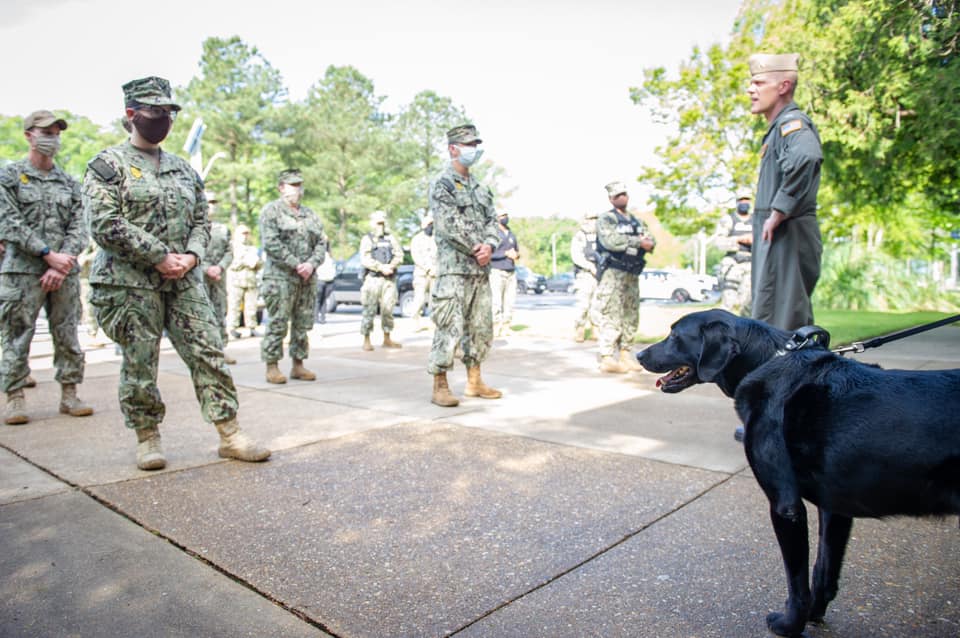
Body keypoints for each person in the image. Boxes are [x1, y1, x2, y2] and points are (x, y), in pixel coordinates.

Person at [82, 76, 269, 469]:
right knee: (140, 361)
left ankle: (229, 432)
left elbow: (202, 220)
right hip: (128, 284)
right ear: (132, 114)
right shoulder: (107, 166)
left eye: (169, 112)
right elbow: (104, 223)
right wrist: (158, 256)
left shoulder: (183, 170)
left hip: (183, 279)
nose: (164, 118)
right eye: (156, 112)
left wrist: (192, 256)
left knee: (208, 351)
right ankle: (147, 437)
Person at [0, 109, 94, 425]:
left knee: (67, 332)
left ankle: (70, 394)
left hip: (63, 271)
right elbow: (8, 221)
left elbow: (81, 225)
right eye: (45, 132)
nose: (51, 138)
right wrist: (45, 254)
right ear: (29, 135)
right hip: (23, 270)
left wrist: (62, 260)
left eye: (56, 133)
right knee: (16, 334)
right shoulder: (9, 177)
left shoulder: (69, 182)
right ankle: (14, 397)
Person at [427, 124, 502, 407]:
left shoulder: (481, 189)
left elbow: (492, 222)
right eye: (468, 144)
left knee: (481, 327)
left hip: (479, 271)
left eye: (476, 143)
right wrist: (476, 247)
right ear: (453, 149)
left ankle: (475, 381)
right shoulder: (442, 184)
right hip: (455, 270)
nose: (474, 149)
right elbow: (447, 225)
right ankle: (440, 384)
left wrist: (490, 245)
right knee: (449, 326)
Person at [747, 53, 823, 331]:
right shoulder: (779, 128)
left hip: (787, 235)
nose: (750, 89)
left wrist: (779, 210)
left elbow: (807, 157)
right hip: (780, 236)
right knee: (771, 321)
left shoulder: (793, 124)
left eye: (759, 82)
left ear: (783, 86)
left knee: (781, 327)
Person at [259, 168, 327, 384]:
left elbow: (321, 243)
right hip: (280, 278)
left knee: (302, 322)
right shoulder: (271, 211)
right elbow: (271, 243)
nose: (297, 189)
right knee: (278, 322)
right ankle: (272, 366)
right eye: (293, 185)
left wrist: (311, 264)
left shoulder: (310, 215)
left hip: (306, 279)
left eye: (299, 185)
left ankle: (298, 365)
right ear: (281, 188)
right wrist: (296, 264)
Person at [590, 181, 655, 374]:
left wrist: (645, 243)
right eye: (617, 196)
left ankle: (626, 353)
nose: (622, 198)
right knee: (612, 313)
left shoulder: (636, 221)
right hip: (614, 272)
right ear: (611, 199)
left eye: (624, 194)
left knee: (631, 313)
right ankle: (607, 357)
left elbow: (650, 241)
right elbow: (611, 242)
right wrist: (637, 242)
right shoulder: (607, 219)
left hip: (632, 273)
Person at [359, 211, 403, 351]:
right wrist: (380, 267)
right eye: (378, 223)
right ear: (372, 223)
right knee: (369, 309)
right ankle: (366, 339)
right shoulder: (367, 239)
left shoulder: (391, 238)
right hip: (373, 279)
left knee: (388, 309)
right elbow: (365, 259)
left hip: (389, 279)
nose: (380, 226)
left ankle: (387, 338)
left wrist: (391, 266)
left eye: (382, 223)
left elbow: (399, 255)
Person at [202, 192, 235, 364]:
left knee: (220, 311)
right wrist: (207, 268)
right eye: (208, 202)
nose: (211, 206)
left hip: (219, 278)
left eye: (214, 202)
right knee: (202, 313)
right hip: (200, 277)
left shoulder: (222, 229)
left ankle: (221, 348)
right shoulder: (194, 227)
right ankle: (206, 351)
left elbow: (230, 252)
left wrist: (220, 267)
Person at [716, 194, 753, 315]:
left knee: (748, 304)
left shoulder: (756, 220)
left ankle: (746, 332)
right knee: (728, 302)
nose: (744, 202)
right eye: (741, 200)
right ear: (737, 202)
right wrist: (739, 239)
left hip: (751, 264)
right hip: (733, 263)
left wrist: (754, 240)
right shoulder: (728, 220)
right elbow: (719, 242)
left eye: (747, 199)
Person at [227, 224, 262, 339]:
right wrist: (244, 261)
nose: (245, 236)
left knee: (251, 306)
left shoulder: (252, 248)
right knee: (234, 306)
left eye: (247, 233)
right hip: (236, 282)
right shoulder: (232, 247)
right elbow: (230, 264)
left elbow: (260, 263)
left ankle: (252, 327)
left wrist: (257, 263)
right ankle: (232, 328)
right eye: (243, 233)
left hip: (250, 281)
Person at [570, 209, 600, 342]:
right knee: (583, 305)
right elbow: (576, 256)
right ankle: (580, 330)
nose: (593, 221)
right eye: (591, 219)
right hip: (585, 275)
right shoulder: (579, 236)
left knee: (597, 305)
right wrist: (589, 266)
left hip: (599, 275)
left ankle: (596, 329)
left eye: (595, 219)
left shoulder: (601, 236)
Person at [489, 211, 519, 337]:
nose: (505, 218)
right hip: (497, 270)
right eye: (502, 216)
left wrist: (516, 255)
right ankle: (496, 326)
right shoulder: (493, 233)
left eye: (506, 215)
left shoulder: (511, 233)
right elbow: (489, 254)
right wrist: (505, 254)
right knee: (496, 301)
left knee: (510, 301)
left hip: (511, 271)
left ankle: (507, 325)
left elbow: (516, 250)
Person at [409, 214, 437, 332]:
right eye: (429, 224)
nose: (431, 226)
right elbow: (416, 256)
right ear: (423, 226)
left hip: (435, 274)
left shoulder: (436, 238)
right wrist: (428, 268)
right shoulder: (417, 239)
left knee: (434, 299)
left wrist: (436, 269)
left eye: (432, 224)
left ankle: (433, 322)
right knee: (419, 298)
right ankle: (415, 321)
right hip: (422, 274)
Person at [315, 249, 336, 324]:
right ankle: (316, 318)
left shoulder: (329, 255)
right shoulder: (320, 254)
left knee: (322, 300)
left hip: (328, 280)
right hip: (321, 279)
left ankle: (322, 318)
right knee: (319, 300)